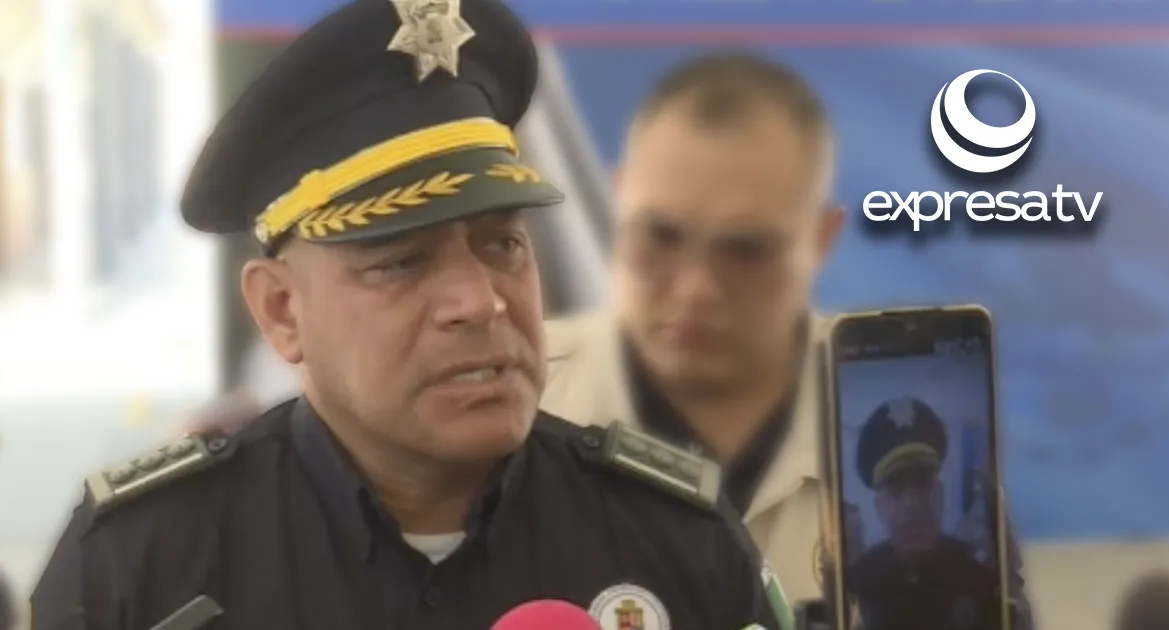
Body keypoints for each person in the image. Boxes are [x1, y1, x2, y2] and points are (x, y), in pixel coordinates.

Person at [28, 2, 790, 628]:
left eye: (503, 246)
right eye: (400, 262)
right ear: (282, 310)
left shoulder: (679, 542)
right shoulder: (139, 569)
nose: (480, 301)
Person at [537, 52, 1033, 626]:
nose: (695, 288)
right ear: (619, 201)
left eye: (745, 250)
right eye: (661, 235)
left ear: (820, 240)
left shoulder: (887, 400)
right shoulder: (523, 401)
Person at [847, 396, 1006, 630]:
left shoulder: (980, 581)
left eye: (923, 483)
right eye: (896, 488)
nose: (912, 502)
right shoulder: (856, 588)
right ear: (879, 508)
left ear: (940, 494)